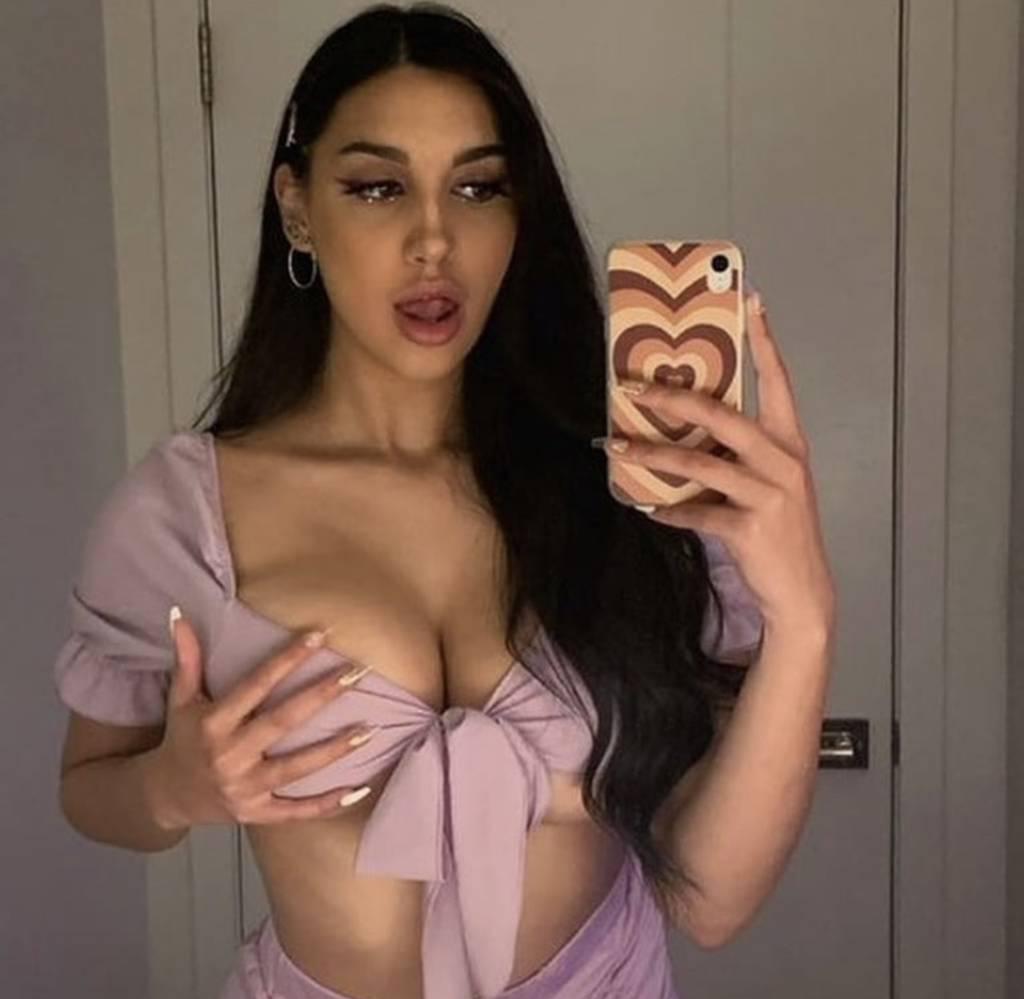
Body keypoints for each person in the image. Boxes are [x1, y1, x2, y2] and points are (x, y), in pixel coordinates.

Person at [55, 4, 774, 998]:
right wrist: (172, 789)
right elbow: (89, 789)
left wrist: (808, 610)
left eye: (478, 187)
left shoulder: (616, 487)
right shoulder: (186, 514)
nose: (435, 239)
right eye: (378, 187)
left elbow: (715, 894)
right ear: (298, 207)